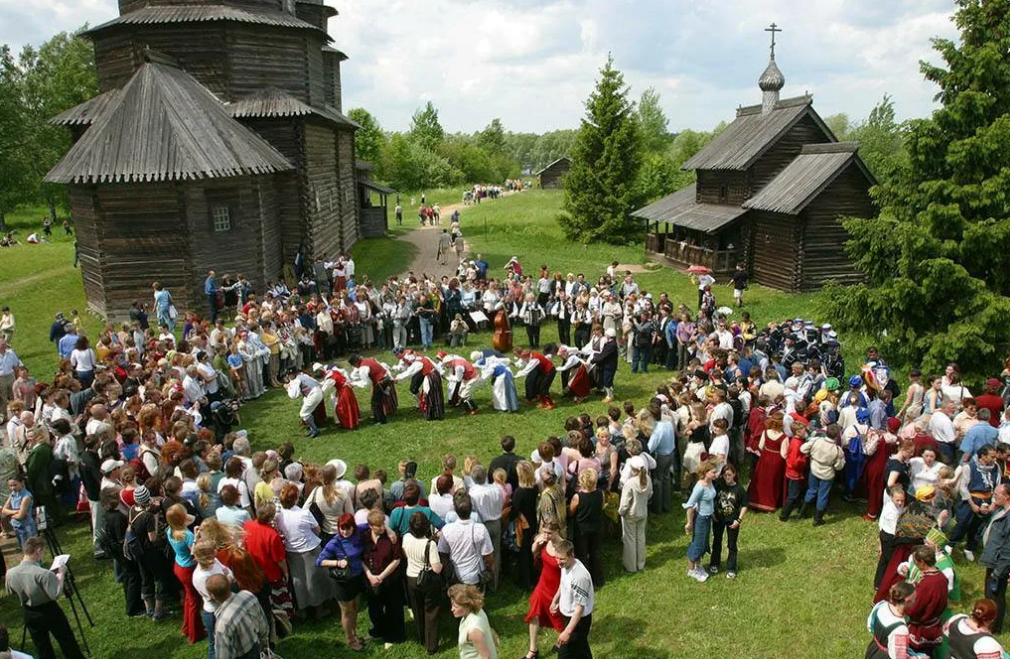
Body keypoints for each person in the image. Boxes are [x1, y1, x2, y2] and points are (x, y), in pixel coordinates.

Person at [5, 537, 86, 659]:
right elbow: (56, 594)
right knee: (66, 640)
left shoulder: (10, 573)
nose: (43, 555)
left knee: (42, 645)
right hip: (49, 610)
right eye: (43, 551)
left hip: (29, 612)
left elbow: (10, 590)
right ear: (38, 550)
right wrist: (61, 574)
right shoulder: (43, 574)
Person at [277, 483, 334, 616]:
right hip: (310, 550)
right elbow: (317, 530)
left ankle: (302, 611)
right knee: (315, 581)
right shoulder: (304, 513)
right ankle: (319, 610)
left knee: (299, 581)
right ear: (296, 498)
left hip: (292, 551)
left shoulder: (279, 514)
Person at [317, 514, 367, 651]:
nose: (345, 532)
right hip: (343, 584)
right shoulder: (335, 542)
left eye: (347, 528)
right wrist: (338, 562)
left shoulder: (358, 532)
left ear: (353, 527)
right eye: (341, 529)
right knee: (347, 612)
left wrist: (390, 531)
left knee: (355, 608)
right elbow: (320, 561)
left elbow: (372, 523)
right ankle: (350, 640)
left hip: (356, 579)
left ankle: (354, 635)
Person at [361, 509, 404, 649]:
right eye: (377, 526)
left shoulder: (391, 538)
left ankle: (394, 636)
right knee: (374, 609)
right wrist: (369, 575)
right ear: (370, 526)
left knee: (393, 609)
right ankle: (378, 631)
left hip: (390, 579)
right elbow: (361, 558)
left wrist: (381, 576)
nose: (381, 528)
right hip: (371, 578)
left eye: (382, 524)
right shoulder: (364, 537)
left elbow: (396, 560)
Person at [523, 518, 565, 659]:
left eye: (549, 533)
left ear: (557, 531)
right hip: (542, 585)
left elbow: (567, 576)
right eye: (544, 532)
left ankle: (563, 643)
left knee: (558, 618)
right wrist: (536, 543)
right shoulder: (545, 541)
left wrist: (557, 598)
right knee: (534, 613)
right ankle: (533, 650)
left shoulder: (564, 548)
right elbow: (533, 551)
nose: (546, 535)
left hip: (557, 589)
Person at [166, 503, 206, 644]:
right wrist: (197, 537)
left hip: (179, 566)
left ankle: (186, 627)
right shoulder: (187, 535)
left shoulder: (169, 531)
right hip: (189, 569)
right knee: (194, 601)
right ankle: (195, 633)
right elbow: (194, 553)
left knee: (189, 598)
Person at [402, 512, 442, 654]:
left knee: (417, 609)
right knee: (431, 610)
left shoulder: (406, 538)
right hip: (427, 579)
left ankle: (421, 638)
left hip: (411, 577)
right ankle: (431, 646)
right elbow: (437, 569)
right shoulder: (430, 545)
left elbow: (405, 554)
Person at [205, 574, 269, 659]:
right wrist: (264, 644)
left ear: (212, 596)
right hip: (257, 646)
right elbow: (262, 623)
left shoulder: (223, 623)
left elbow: (223, 655)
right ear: (229, 584)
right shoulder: (248, 595)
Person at [551, 539, 594, 659]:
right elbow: (563, 583)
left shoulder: (579, 577)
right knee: (581, 651)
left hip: (578, 622)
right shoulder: (565, 565)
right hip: (568, 618)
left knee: (564, 655)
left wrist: (567, 632)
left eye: (562, 559)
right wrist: (555, 600)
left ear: (571, 555)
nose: (558, 562)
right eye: (557, 558)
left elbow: (580, 608)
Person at [438, 495, 494, 588]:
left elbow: (442, 554)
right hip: (475, 575)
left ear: (455, 510)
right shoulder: (480, 529)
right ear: (471, 509)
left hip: (455, 576)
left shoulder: (447, 529)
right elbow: (489, 556)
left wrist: (449, 572)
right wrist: (489, 570)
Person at [905, 545, 949, 656]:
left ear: (923, 563)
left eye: (915, 561)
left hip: (921, 630)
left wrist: (903, 604)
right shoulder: (942, 577)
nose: (914, 564)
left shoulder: (926, 584)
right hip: (934, 624)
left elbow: (915, 608)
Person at [800, 424, 846, 525]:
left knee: (811, 490)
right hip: (827, 474)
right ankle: (817, 519)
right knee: (823, 495)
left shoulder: (816, 441)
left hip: (814, 469)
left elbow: (803, 449)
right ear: (836, 436)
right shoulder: (837, 450)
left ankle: (802, 511)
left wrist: (811, 454)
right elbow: (839, 467)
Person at [979, 483, 1010, 633]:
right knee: (989, 594)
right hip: (993, 560)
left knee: (995, 596)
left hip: (999, 564)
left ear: (1007, 496)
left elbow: (1008, 549)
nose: (994, 496)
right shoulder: (1001, 510)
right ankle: (989, 623)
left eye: (997, 494)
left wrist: (999, 571)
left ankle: (994, 628)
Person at [683, 459, 718, 583]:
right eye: (713, 472)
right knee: (697, 544)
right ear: (706, 472)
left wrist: (713, 514)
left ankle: (698, 566)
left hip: (708, 518)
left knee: (704, 543)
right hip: (701, 519)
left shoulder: (710, 483)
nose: (716, 474)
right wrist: (689, 523)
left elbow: (709, 501)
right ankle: (691, 570)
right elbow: (690, 506)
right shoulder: (699, 487)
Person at [710, 463, 747, 579]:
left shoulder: (739, 489)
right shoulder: (718, 486)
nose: (727, 477)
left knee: (732, 544)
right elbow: (711, 498)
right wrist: (712, 514)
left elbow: (745, 505)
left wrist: (739, 520)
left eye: (729, 475)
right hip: (718, 519)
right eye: (725, 475)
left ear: (734, 475)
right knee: (717, 541)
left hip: (733, 521)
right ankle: (714, 563)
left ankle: (731, 568)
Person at [568, 468, 604, 588]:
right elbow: (601, 506)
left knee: (582, 554)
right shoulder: (600, 493)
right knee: (596, 552)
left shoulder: (577, 497)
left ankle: (584, 581)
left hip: (582, 529)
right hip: (596, 526)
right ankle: (598, 579)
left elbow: (571, 512)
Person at [618, 455, 652, 573]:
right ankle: (640, 563)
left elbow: (625, 503)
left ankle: (630, 566)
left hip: (631, 514)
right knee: (641, 537)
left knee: (630, 539)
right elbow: (650, 494)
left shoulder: (630, 483)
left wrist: (621, 512)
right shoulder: (647, 479)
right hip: (643, 511)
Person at [747, 412, 788, 512]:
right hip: (776, 461)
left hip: (765, 458)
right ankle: (769, 504)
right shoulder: (784, 437)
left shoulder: (766, 432)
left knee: (761, 479)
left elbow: (760, 446)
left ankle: (756, 501)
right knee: (773, 482)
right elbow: (783, 454)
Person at [864, 582, 913, 659]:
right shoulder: (900, 629)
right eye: (914, 599)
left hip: (874, 649)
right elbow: (899, 657)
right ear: (907, 601)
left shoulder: (881, 605)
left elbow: (870, 625)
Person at [449, 584, 498, 659]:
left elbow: (487, 657)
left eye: (455, 606)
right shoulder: (478, 611)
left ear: (467, 606)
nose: (452, 609)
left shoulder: (473, 631)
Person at [1, 475, 35, 549]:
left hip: (26, 527)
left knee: (30, 551)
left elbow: (20, 516)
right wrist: (16, 511)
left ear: (22, 483)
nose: (13, 487)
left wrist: (9, 514)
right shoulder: (13, 494)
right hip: (16, 526)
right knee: (24, 549)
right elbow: (3, 510)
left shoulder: (26, 496)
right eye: (11, 486)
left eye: (15, 485)